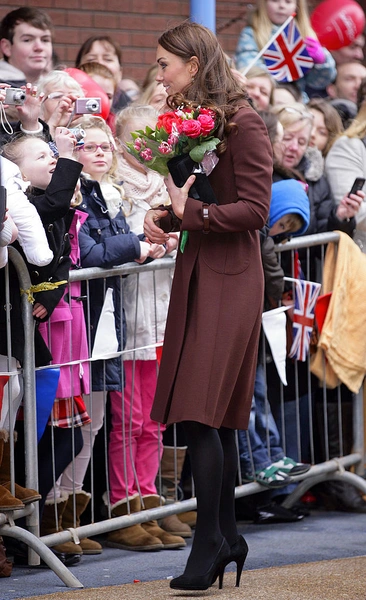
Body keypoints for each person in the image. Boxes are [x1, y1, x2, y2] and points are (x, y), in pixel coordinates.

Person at [143, 21, 273, 590]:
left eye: (166, 65)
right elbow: (206, 198)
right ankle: (224, 538)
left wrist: (187, 212)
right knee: (205, 415)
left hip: (231, 276)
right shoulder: (198, 123)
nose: (160, 74)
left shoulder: (243, 122)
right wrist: (170, 215)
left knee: (202, 411)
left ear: (193, 66)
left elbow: (254, 211)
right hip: (202, 271)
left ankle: (212, 543)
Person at [102, 104, 185, 551]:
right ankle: (122, 502)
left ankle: (149, 500)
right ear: (119, 141)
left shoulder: (168, 186)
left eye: (155, 138)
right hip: (130, 316)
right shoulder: (115, 189)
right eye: (137, 139)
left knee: (154, 419)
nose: (147, 147)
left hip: (164, 315)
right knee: (128, 419)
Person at [234, 0, 336, 101]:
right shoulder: (251, 33)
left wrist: (322, 62)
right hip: (263, 98)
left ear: (297, 6)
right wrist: (282, 74)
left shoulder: (306, 36)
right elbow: (249, 68)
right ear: (264, 3)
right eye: (275, 1)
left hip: (297, 101)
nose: (281, 6)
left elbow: (318, 82)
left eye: (288, 2)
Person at [74, 35, 130, 113]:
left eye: (108, 59)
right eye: (91, 60)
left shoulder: (131, 110)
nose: (100, 63)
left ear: (120, 72)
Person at [0, 7, 53, 86]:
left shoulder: (58, 88)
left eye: (45, 40)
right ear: (7, 47)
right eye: (27, 40)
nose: (39, 47)